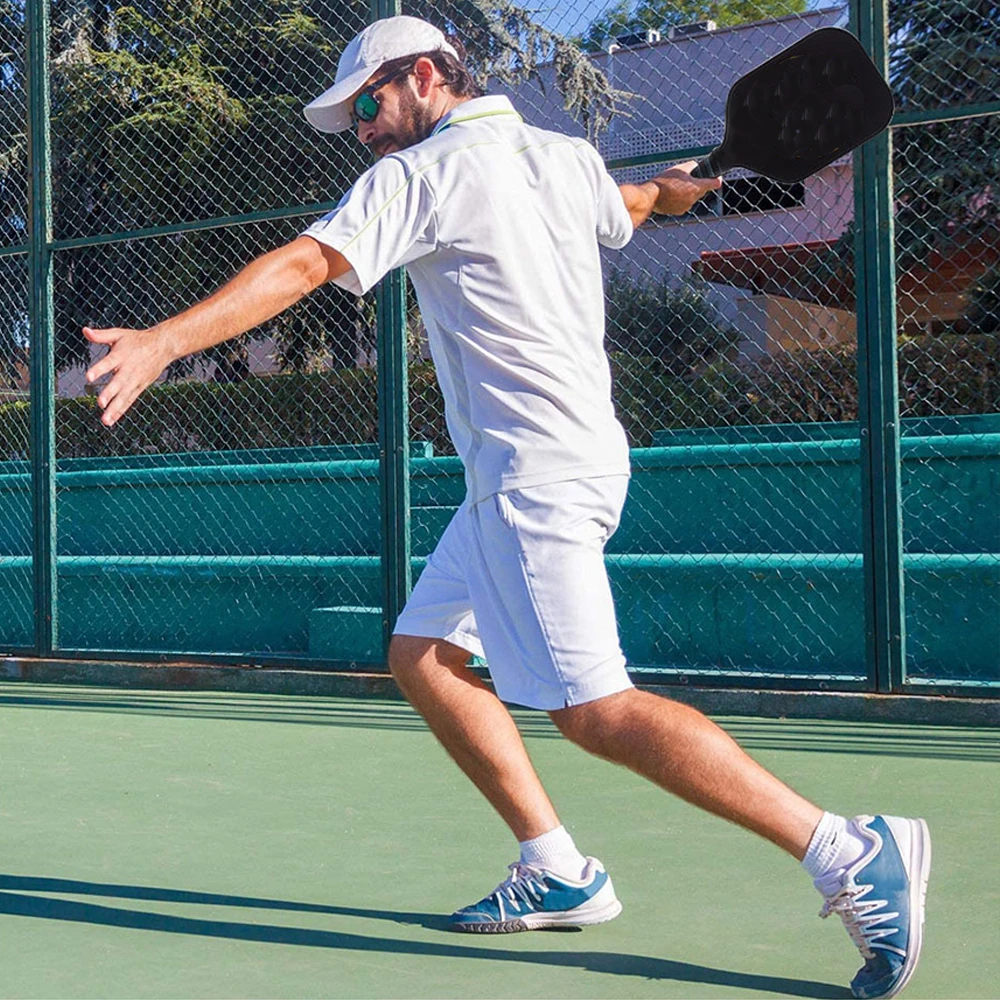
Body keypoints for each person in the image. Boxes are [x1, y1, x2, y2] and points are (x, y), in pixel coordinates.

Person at [83, 16, 930, 999]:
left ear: (426, 75)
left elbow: (306, 265)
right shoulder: (562, 159)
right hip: (561, 465)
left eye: (366, 103)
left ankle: (843, 848)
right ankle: (556, 865)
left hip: (532, 477)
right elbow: (635, 199)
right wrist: (674, 188)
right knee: (426, 655)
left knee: (595, 712)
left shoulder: (417, 176)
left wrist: (164, 342)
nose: (360, 128)